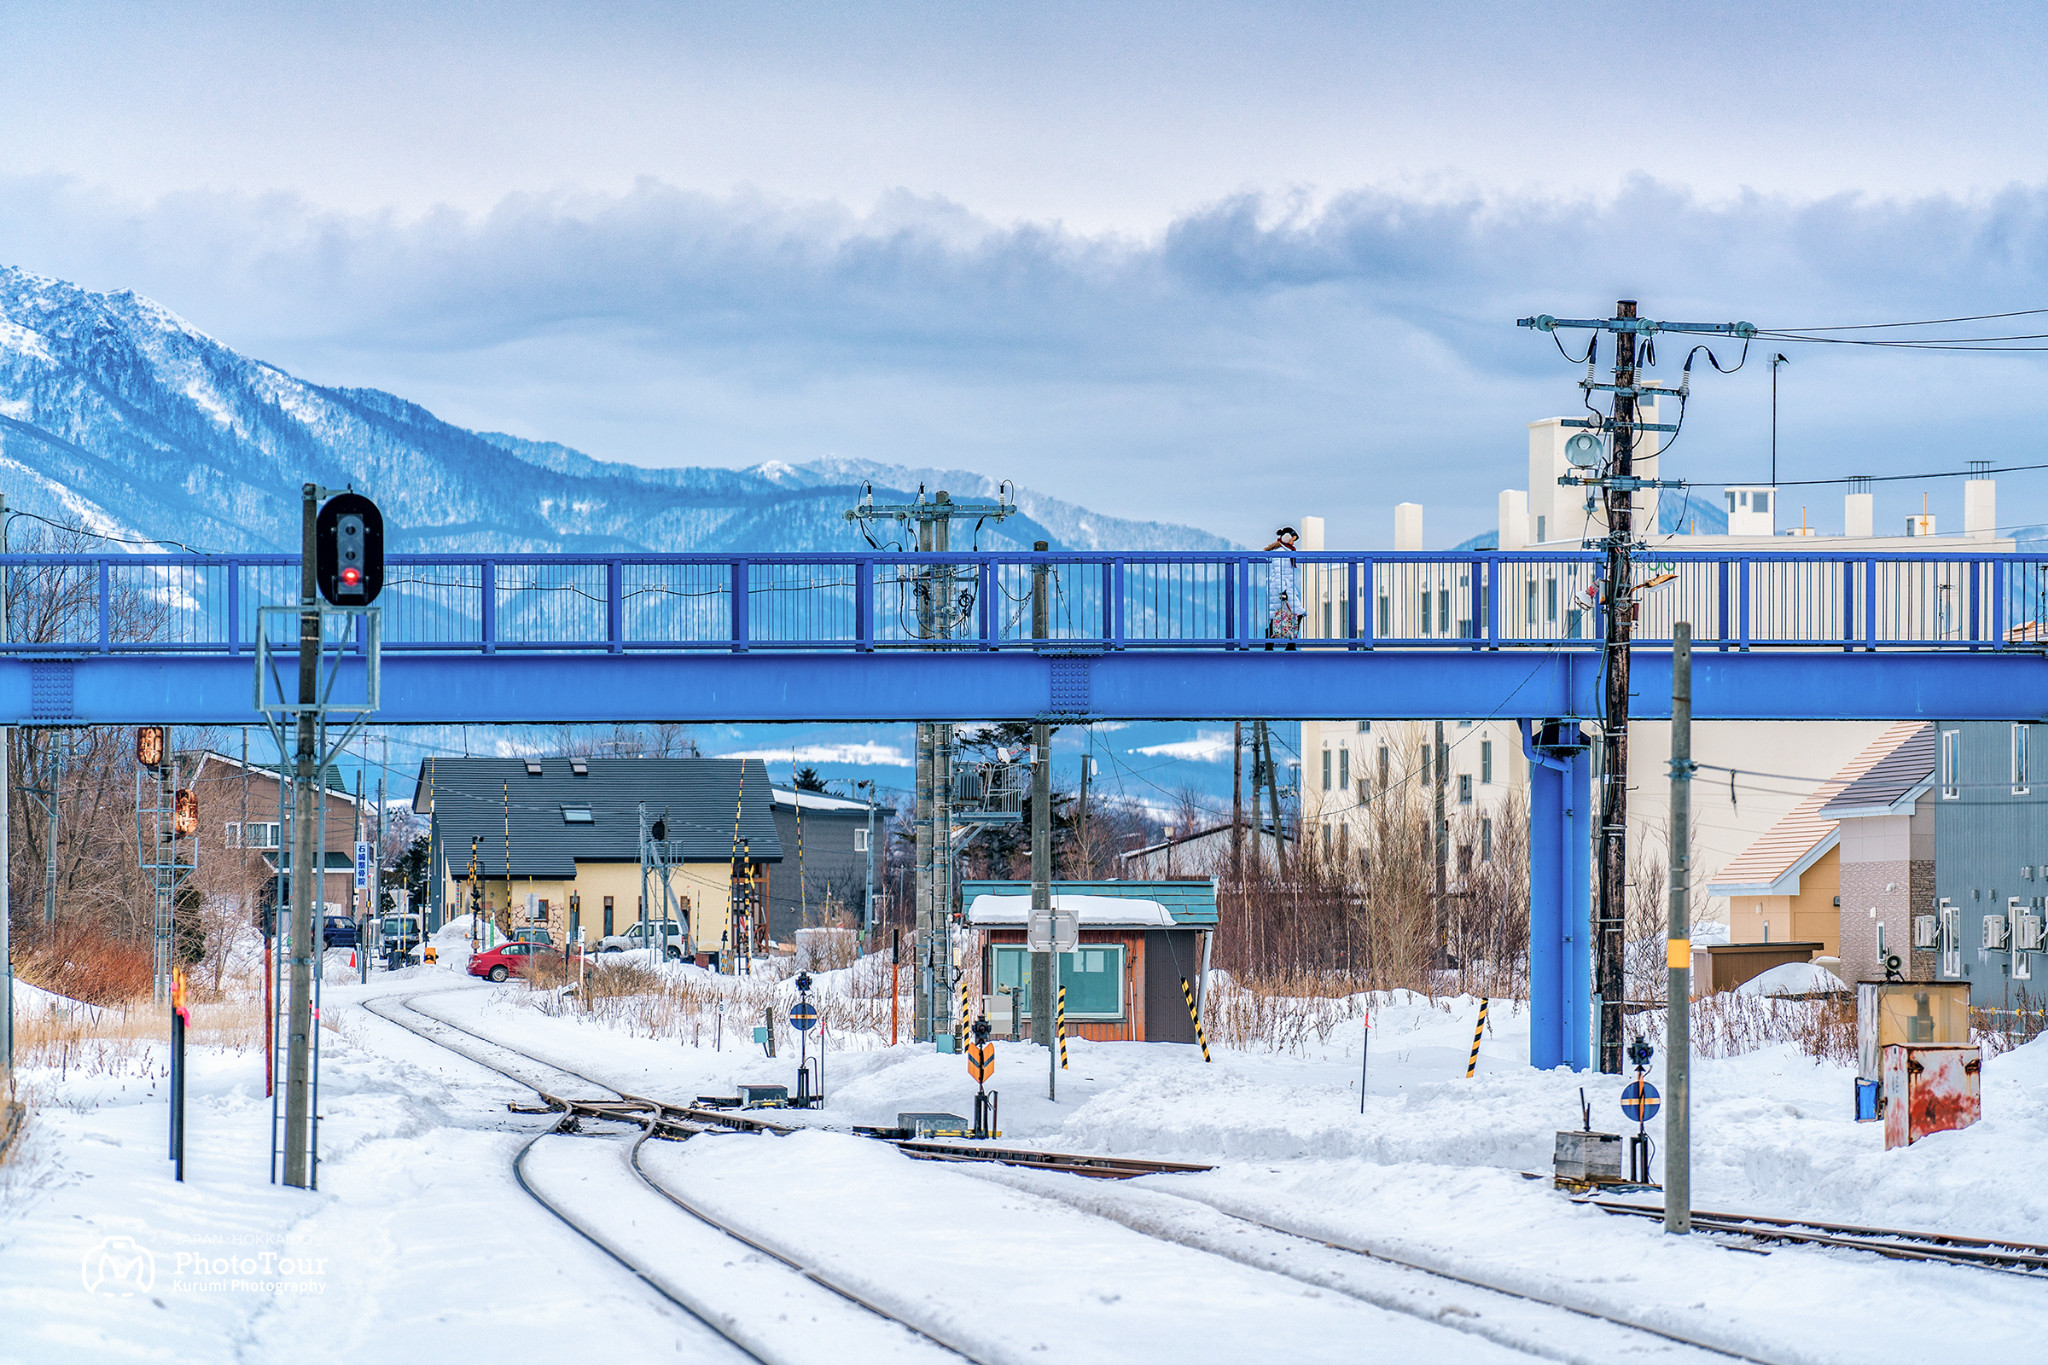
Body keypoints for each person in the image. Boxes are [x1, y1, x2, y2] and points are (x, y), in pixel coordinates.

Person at [1264, 526, 1300, 649]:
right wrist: (1282, 591)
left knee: (1276, 615)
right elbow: (1278, 573)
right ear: (1286, 538)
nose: (1293, 542)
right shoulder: (1281, 553)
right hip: (1282, 589)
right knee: (1296, 612)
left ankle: (1270, 644)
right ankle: (1290, 644)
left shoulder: (1285, 551)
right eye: (1292, 539)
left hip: (1284, 588)